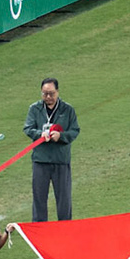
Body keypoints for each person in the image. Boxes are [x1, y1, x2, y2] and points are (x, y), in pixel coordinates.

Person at [24, 76, 80, 221]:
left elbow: (74, 131)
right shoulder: (35, 109)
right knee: (39, 198)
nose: (48, 97)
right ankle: (39, 228)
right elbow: (28, 128)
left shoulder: (67, 110)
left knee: (64, 198)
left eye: (51, 93)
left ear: (58, 92)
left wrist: (60, 136)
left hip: (60, 160)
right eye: (44, 93)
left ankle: (65, 227)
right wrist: (40, 134)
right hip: (40, 160)